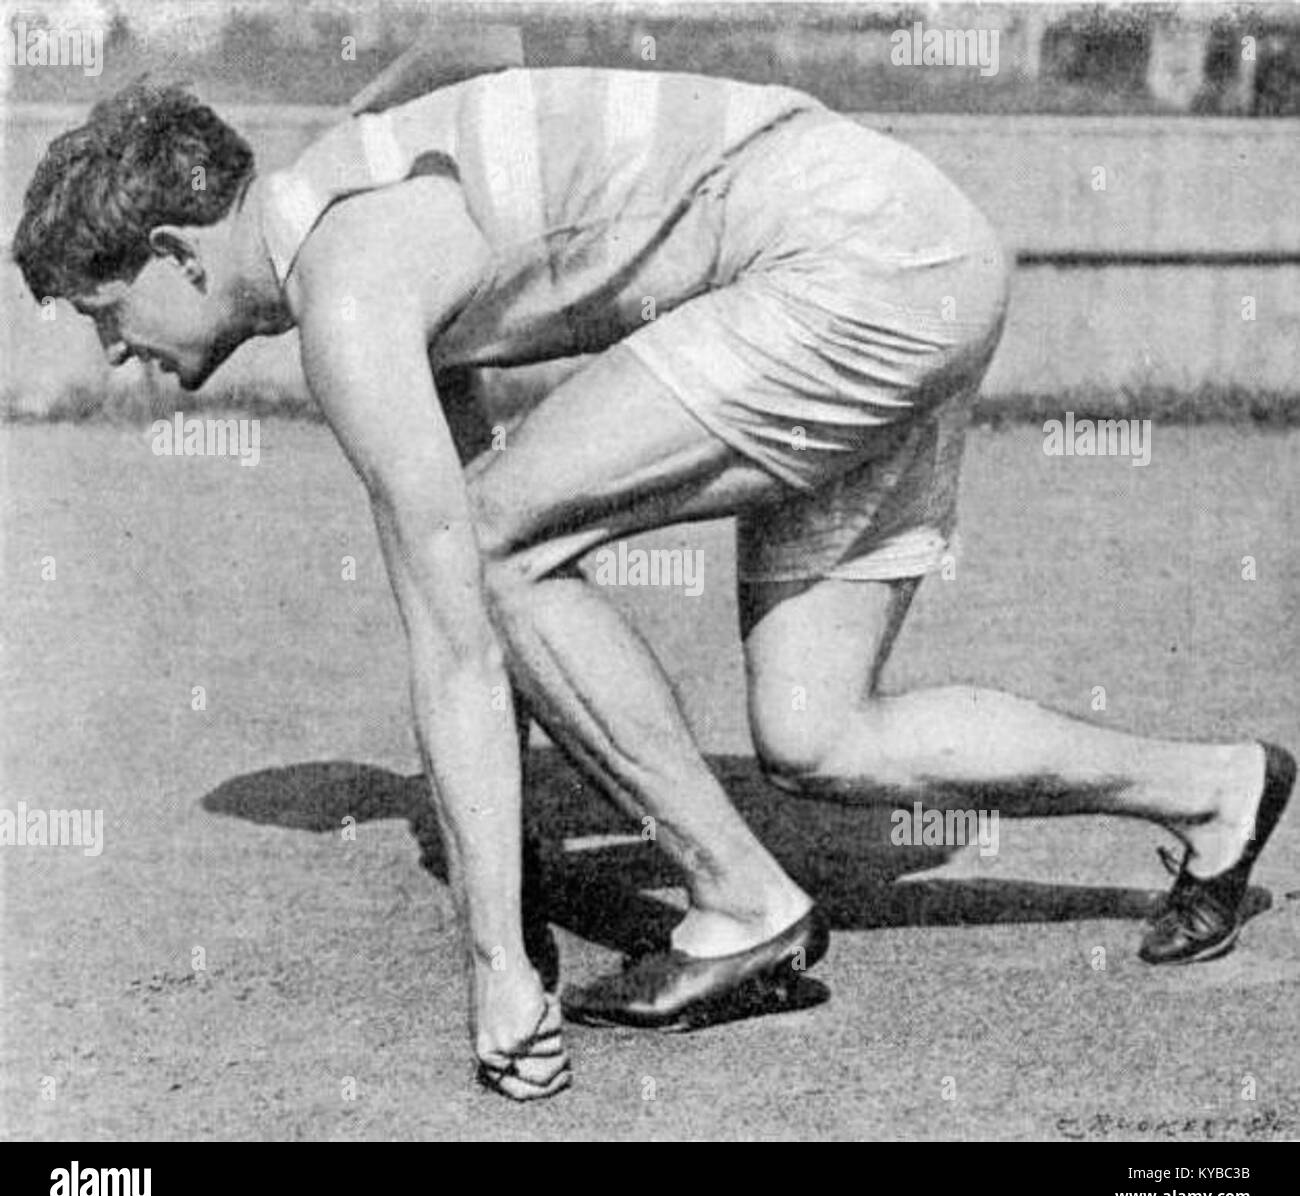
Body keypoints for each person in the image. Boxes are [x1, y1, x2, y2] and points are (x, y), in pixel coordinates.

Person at [14, 67, 1293, 1104]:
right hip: (914, 246)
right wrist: (497, 869)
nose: (114, 351)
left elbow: (461, 626)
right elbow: (476, 632)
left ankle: (741, 902)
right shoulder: (349, 210)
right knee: (818, 728)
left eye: (103, 308)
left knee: (503, 541)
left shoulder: (349, 294)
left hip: (846, 266)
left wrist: (495, 969)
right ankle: (1215, 788)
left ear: (180, 251)